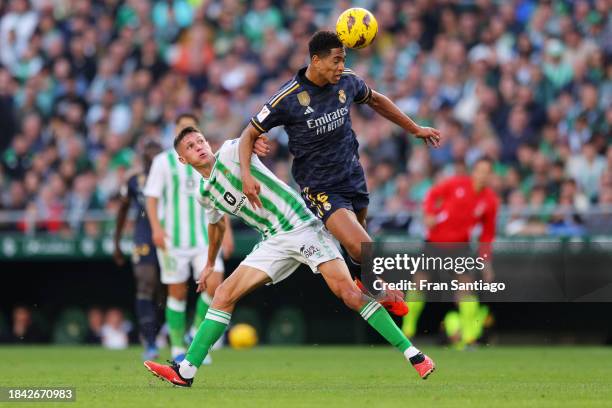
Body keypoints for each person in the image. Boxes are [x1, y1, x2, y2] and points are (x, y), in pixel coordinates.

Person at [143, 127, 435, 387]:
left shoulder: (232, 151)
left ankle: (415, 355)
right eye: (191, 147)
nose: (200, 147)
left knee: (347, 294)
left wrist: (256, 141)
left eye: (201, 140)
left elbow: (250, 133)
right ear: (183, 160)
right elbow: (216, 223)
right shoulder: (205, 192)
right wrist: (209, 263)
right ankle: (186, 370)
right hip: (273, 241)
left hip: (303, 227)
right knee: (223, 294)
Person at [240, 31, 441, 315]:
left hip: (353, 177)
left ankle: (365, 284)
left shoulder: (346, 80)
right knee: (364, 248)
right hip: (320, 187)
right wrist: (247, 176)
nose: (340, 66)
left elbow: (376, 99)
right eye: (335, 60)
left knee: (359, 250)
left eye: (343, 60)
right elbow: (249, 134)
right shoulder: (288, 97)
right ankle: (376, 289)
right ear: (316, 60)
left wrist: (415, 128)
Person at [144, 114, 226, 362]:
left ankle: (195, 333)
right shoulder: (162, 162)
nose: (187, 133)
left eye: (191, 129)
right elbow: (151, 197)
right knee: (177, 293)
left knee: (216, 286)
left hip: (204, 237)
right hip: (173, 240)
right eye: (181, 128)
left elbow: (221, 197)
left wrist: (227, 232)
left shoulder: (209, 158)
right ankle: (178, 349)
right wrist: (156, 229)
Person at [402, 158, 499, 348]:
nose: (483, 175)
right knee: (419, 284)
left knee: (466, 289)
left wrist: (486, 262)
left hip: (461, 247)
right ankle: (407, 332)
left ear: (491, 175)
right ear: (474, 171)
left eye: (487, 172)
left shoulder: (490, 200)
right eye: (480, 170)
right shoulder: (456, 184)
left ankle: (471, 338)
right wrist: (428, 214)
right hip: (434, 243)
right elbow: (431, 195)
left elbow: (487, 235)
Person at [113, 139, 163, 360]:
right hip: (143, 234)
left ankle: (162, 332)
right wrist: (116, 241)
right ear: (143, 159)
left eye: (156, 155)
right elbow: (123, 209)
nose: (152, 159)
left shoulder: (174, 177)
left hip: (169, 233)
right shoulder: (134, 180)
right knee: (145, 284)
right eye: (148, 155)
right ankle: (150, 342)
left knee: (167, 289)